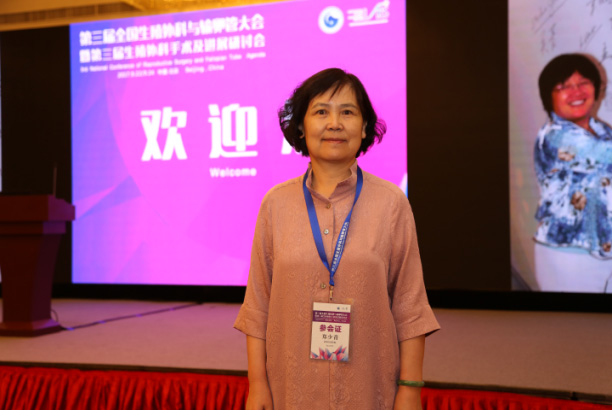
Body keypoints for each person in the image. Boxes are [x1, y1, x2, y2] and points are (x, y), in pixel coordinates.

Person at [234, 68, 439, 409]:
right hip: (291, 391)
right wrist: (257, 385)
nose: (334, 124)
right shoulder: (275, 204)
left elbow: (410, 306)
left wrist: (410, 389)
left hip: (369, 390)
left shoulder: (391, 203)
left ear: (364, 127)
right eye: (321, 112)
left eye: (347, 112)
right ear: (302, 127)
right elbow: (258, 306)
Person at [534, 53, 612, 292]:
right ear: (549, 97)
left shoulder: (602, 131)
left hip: (605, 249)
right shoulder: (555, 136)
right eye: (563, 86)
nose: (576, 92)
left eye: (583, 83)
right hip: (569, 255)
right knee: (571, 317)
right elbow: (602, 155)